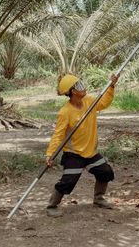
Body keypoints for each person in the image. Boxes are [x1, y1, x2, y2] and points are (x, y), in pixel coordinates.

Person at [45, 73, 119, 217]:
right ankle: (52, 205)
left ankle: (98, 199)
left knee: (106, 172)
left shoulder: (89, 101)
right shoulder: (65, 112)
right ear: (73, 91)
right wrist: (50, 154)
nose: (83, 87)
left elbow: (104, 103)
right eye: (79, 85)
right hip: (74, 155)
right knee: (68, 181)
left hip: (90, 153)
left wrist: (111, 86)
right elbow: (58, 135)